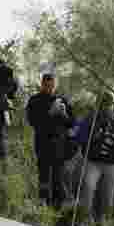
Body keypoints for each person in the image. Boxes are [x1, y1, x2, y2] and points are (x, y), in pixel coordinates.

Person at [75, 92, 114, 222]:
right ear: (98, 106)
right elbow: (79, 137)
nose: (106, 108)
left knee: (108, 195)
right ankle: (86, 220)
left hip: (113, 164)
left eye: (109, 105)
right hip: (92, 162)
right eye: (103, 105)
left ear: (113, 106)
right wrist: (93, 136)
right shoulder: (90, 119)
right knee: (88, 188)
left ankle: (104, 224)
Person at [25, 70, 77, 207]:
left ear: (56, 85)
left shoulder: (63, 100)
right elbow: (33, 122)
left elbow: (72, 123)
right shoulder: (34, 100)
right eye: (47, 85)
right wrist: (50, 113)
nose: (49, 88)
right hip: (42, 143)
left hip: (60, 145)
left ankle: (57, 206)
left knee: (58, 177)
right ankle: (42, 203)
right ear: (42, 85)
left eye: (52, 86)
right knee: (43, 174)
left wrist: (64, 114)